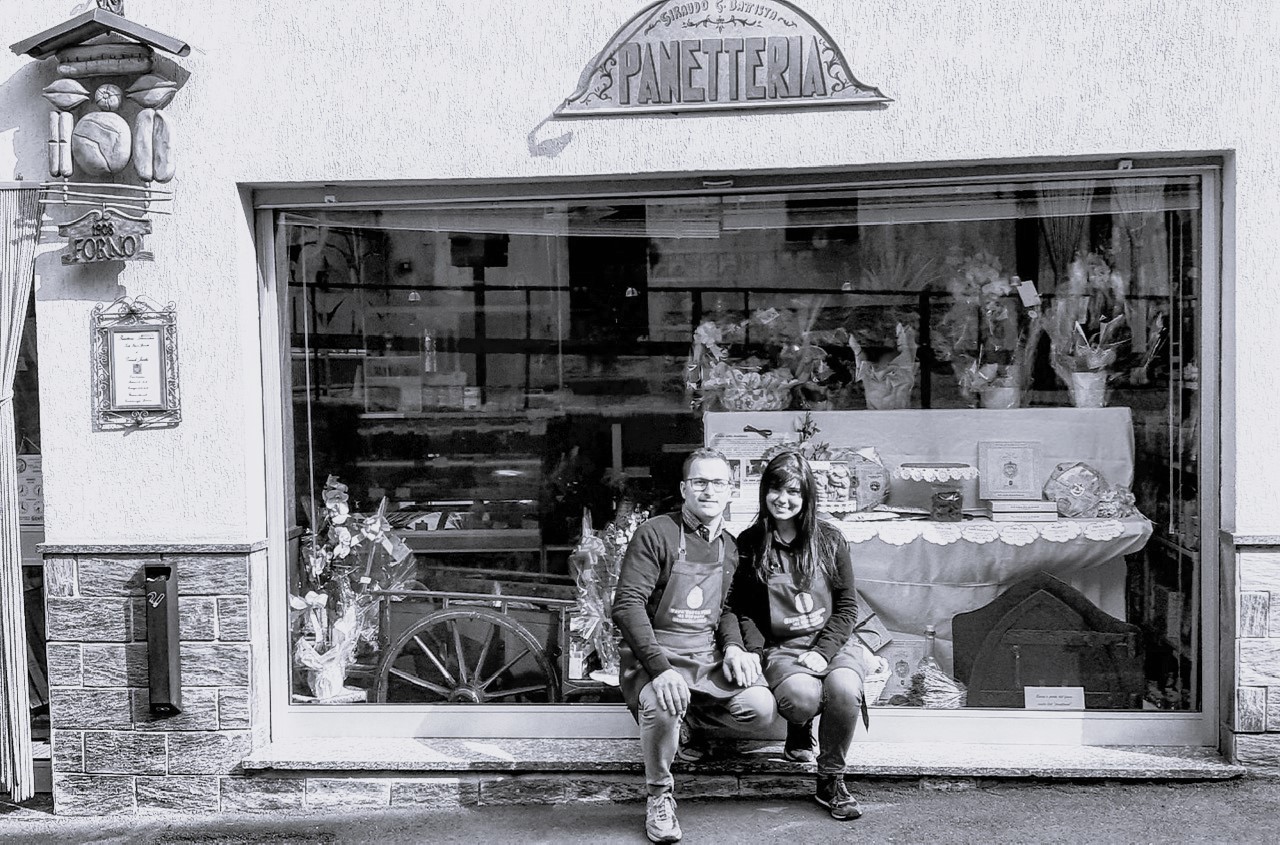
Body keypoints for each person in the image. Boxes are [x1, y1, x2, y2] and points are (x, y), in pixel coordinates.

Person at [613, 447, 777, 844]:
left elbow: (723, 610)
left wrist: (735, 648)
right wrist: (661, 670)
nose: (708, 490)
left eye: (717, 483)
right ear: (685, 488)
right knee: (663, 702)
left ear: (730, 491)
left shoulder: (730, 546)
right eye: (700, 482)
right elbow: (627, 604)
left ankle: (686, 727)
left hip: (705, 653)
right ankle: (659, 796)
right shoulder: (656, 533)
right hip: (657, 652)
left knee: (762, 709)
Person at [728, 450, 869, 821]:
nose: (783, 499)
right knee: (802, 697)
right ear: (764, 493)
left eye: (793, 492)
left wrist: (823, 652)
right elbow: (741, 609)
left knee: (843, 690)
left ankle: (831, 777)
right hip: (782, 648)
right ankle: (799, 724)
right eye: (775, 489)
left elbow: (847, 608)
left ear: (807, 497)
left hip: (832, 643)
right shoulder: (750, 543)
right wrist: (755, 652)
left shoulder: (831, 541)